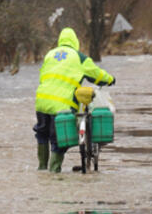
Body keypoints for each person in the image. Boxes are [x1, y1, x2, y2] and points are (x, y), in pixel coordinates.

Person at [34, 27, 115, 172]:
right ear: (75, 42)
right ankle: (53, 172)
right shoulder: (79, 57)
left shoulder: (49, 55)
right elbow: (96, 74)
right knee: (58, 139)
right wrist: (110, 79)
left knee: (42, 133)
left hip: (41, 102)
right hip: (61, 106)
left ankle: (41, 170)